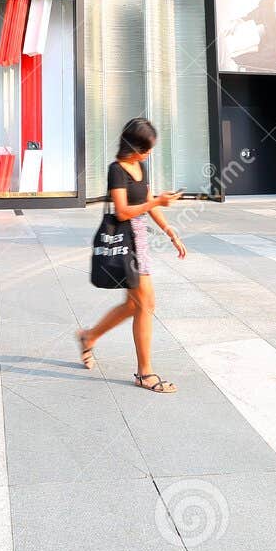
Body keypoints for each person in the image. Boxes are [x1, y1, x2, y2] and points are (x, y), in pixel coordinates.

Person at [76, 118, 188, 394]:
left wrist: (169, 230)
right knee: (146, 304)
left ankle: (89, 336)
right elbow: (124, 211)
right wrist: (156, 201)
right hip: (124, 241)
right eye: (145, 149)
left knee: (134, 305)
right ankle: (144, 373)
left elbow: (148, 202)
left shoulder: (141, 166)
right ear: (133, 146)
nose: (148, 153)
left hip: (140, 241)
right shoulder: (116, 170)